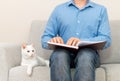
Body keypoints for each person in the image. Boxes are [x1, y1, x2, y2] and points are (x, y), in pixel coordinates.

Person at [41, 0, 111, 81]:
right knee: (59, 55)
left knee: (85, 55)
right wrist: (53, 40)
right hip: (63, 55)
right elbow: (45, 39)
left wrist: (81, 41)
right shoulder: (59, 10)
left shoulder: (100, 10)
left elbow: (106, 39)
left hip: (89, 55)